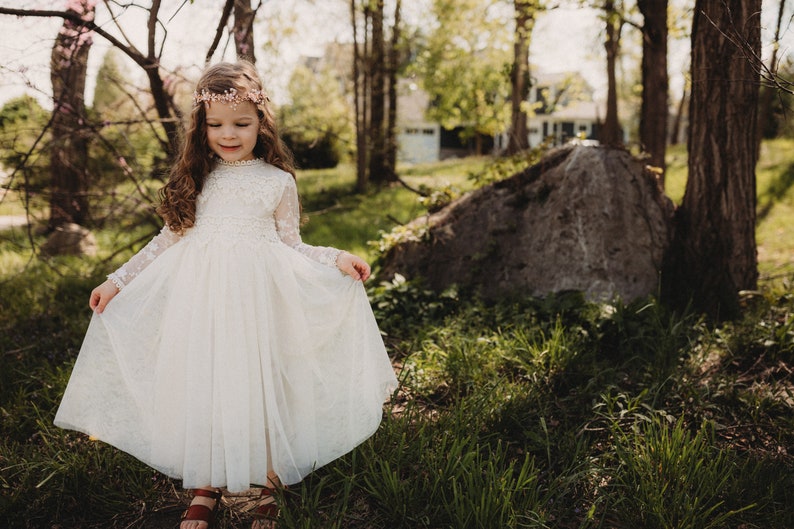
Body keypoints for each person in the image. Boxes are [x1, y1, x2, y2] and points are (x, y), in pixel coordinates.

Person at [54, 60, 398, 529]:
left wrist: (335, 257)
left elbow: (290, 243)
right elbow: (166, 238)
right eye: (216, 125)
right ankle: (207, 481)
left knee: (263, 379)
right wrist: (116, 281)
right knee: (208, 378)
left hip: (259, 301)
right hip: (203, 300)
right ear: (201, 127)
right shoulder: (198, 177)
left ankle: (271, 480)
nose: (229, 134)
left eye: (241, 123)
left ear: (262, 123)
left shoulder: (277, 181)